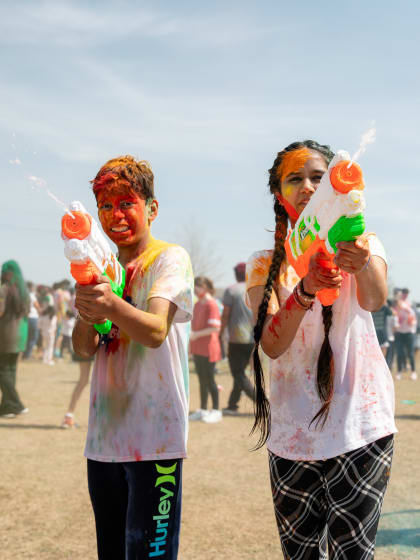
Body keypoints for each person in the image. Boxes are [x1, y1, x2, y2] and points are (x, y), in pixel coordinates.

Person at [246, 140, 396, 559]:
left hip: (361, 427)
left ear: (336, 187)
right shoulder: (264, 264)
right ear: (279, 195)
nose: (308, 187)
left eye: (319, 177)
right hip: (293, 436)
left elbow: (374, 299)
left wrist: (360, 260)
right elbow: (272, 344)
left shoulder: (363, 242)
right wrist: (306, 288)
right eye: (295, 179)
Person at [72, 155, 193, 559]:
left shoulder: (169, 258)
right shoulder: (101, 266)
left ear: (152, 208)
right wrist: (90, 304)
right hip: (104, 441)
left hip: (155, 443)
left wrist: (108, 304)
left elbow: (156, 331)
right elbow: (83, 347)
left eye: (126, 202)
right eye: (105, 205)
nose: (115, 215)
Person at [220, 262, 255, 415]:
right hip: (252, 338)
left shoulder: (231, 290)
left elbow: (226, 314)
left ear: (236, 274)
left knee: (238, 374)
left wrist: (221, 333)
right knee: (239, 372)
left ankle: (261, 402)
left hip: (236, 338)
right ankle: (232, 404)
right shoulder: (255, 289)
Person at [189, 277, 222, 423]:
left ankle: (215, 410)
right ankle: (202, 409)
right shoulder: (196, 305)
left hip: (209, 348)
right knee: (201, 380)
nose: (196, 289)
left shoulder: (211, 304)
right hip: (197, 348)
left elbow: (215, 327)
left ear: (207, 287)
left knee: (210, 380)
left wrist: (196, 334)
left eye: (199, 286)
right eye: (195, 286)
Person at [0, 260, 30, 418]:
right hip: (20, 335)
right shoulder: (24, 291)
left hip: (6, 335)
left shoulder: (4, 289)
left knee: (3, 371)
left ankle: (16, 404)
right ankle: (7, 407)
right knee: (10, 370)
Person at [394, 288, 417, 380]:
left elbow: (413, 319)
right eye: (403, 294)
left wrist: (411, 322)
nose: (404, 295)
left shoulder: (410, 305)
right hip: (399, 333)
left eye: (406, 294)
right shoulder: (397, 306)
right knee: (399, 353)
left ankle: (413, 372)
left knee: (410, 353)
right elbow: (396, 316)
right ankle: (399, 372)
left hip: (409, 333)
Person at [23, 281, 41, 359]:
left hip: (26, 318)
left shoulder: (24, 294)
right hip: (33, 318)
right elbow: (37, 306)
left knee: (27, 337)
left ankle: (24, 354)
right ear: (31, 287)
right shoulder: (31, 295)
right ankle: (28, 355)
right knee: (33, 337)